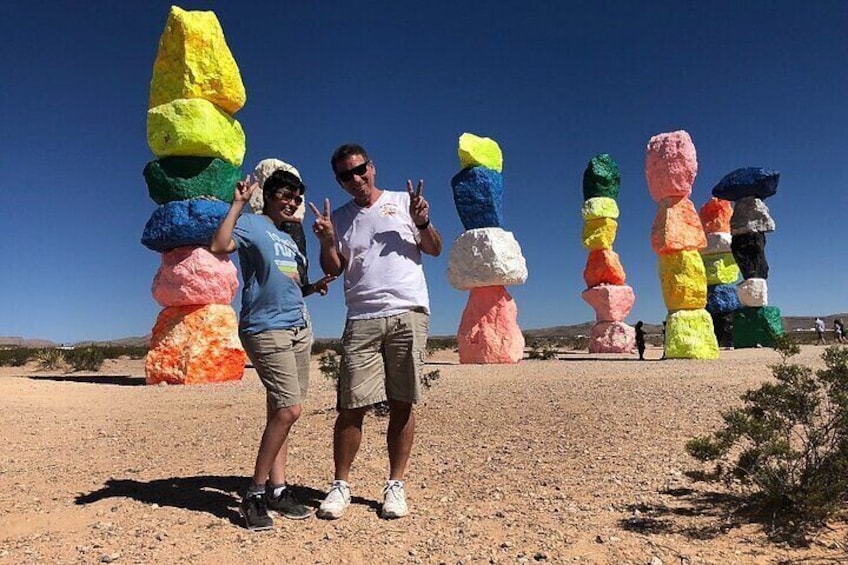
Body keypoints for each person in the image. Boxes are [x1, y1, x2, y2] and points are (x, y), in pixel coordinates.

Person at [309, 143, 443, 520]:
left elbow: (433, 248)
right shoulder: (343, 218)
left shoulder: (404, 203)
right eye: (345, 175)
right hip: (362, 316)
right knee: (352, 405)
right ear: (338, 180)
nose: (355, 178)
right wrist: (325, 240)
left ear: (372, 167)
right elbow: (334, 269)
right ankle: (340, 485)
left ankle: (395, 485)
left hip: (408, 312)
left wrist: (421, 222)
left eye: (360, 169)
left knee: (403, 402)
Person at [211, 170, 335, 531]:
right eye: (285, 195)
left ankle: (279, 490)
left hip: (298, 327)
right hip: (266, 328)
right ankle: (255, 492)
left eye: (296, 198)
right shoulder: (251, 224)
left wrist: (314, 288)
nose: (292, 202)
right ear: (268, 196)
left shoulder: (288, 238)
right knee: (289, 409)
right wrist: (236, 204)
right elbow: (219, 246)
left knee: (280, 410)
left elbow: (288, 283)